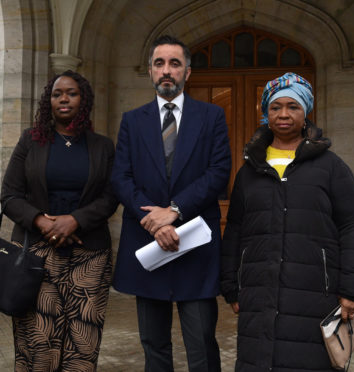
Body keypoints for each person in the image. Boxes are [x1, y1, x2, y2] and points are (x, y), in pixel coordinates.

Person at [220, 72, 354, 371]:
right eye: (276, 107)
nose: (284, 114)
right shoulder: (249, 171)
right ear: (266, 113)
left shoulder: (331, 167)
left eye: (293, 107)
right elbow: (235, 229)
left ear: (306, 113)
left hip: (316, 294)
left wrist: (352, 290)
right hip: (258, 293)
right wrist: (230, 286)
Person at [111, 35, 232, 372]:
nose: (167, 71)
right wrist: (153, 220)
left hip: (194, 246)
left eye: (175, 64)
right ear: (150, 71)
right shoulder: (132, 122)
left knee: (202, 344)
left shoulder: (212, 117)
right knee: (153, 345)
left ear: (187, 73)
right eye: (159, 63)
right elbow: (121, 178)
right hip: (147, 243)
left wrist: (175, 210)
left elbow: (219, 171)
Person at [0, 70, 118, 371]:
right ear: (48, 101)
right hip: (36, 254)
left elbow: (110, 197)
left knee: (83, 342)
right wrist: (42, 221)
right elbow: (10, 195)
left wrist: (75, 220)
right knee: (38, 340)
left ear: (84, 99)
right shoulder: (31, 141)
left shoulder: (102, 146)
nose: (63, 99)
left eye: (71, 93)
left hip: (90, 256)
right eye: (57, 94)